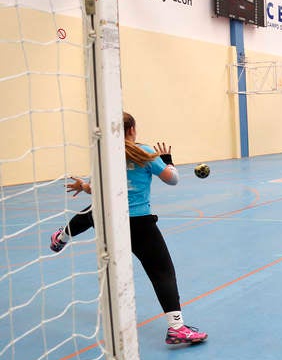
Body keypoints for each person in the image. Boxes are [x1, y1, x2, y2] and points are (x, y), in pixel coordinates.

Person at [49, 112, 208, 346]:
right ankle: (176, 328)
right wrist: (167, 160)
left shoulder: (105, 154)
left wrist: (84, 186)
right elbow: (172, 179)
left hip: (110, 218)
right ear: (132, 129)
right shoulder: (143, 152)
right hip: (139, 223)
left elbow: (99, 190)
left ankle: (61, 237)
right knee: (162, 272)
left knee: (93, 211)